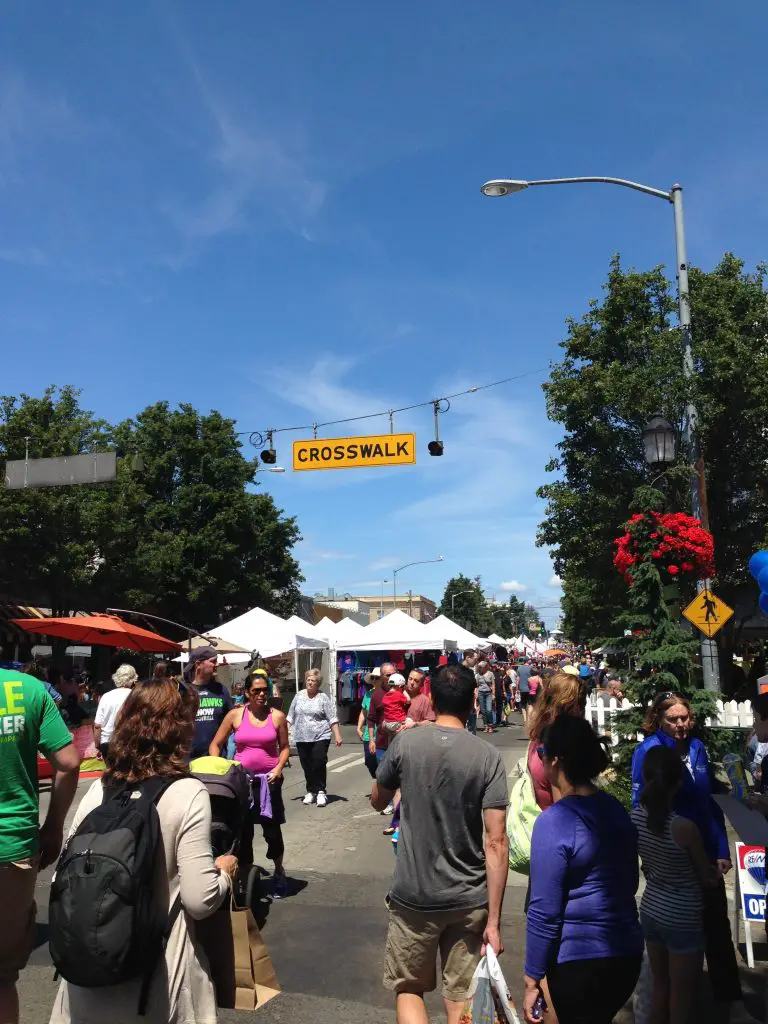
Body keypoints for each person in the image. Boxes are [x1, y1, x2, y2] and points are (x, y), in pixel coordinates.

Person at [49, 677, 238, 1024]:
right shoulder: (188, 793)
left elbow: (62, 877)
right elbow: (199, 899)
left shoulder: (100, 789)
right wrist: (224, 873)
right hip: (155, 982)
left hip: (86, 984)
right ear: (178, 729)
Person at [371, 664, 509, 1024]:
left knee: (409, 988)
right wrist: (494, 921)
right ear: (472, 700)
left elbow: (376, 798)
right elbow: (496, 842)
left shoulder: (406, 743)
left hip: (414, 894)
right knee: (462, 995)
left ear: (430, 698)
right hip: (468, 896)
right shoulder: (487, 756)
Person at [631, 693, 746, 1015]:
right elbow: (639, 803)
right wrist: (649, 856)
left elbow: (710, 801)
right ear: (659, 720)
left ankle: (732, 1004)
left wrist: (721, 849)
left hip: (704, 848)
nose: (681, 725)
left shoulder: (697, 748)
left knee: (718, 929)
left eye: (685, 718)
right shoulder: (649, 752)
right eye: (673, 720)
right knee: (676, 951)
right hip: (673, 856)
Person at [524, 715, 642, 1024]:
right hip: (625, 953)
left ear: (556, 760)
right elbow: (629, 881)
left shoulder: (554, 822)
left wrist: (532, 975)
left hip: (577, 959)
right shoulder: (615, 810)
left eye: (541, 753)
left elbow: (544, 910)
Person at [0, 666, 80, 1024]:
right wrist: (53, 827)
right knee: (1, 978)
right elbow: (68, 761)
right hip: (13, 848)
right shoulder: (27, 689)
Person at [631, 745, 717, 1024]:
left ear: (645, 778)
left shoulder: (636, 818)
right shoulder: (684, 828)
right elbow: (706, 875)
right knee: (682, 996)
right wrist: (715, 872)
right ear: (678, 782)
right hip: (683, 915)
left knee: (659, 988)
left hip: (653, 909)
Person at [209, 669, 291, 898]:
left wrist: (278, 768)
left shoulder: (277, 716)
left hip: (269, 782)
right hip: (241, 783)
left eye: (265, 690)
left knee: (272, 831)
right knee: (243, 832)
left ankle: (278, 871)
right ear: (247, 693)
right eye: (256, 691)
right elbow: (216, 743)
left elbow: (284, 748)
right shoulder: (235, 715)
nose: (262, 695)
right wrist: (221, 769)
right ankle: (245, 878)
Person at [527, 671, 587, 812]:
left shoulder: (538, 734)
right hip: (556, 825)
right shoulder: (559, 745)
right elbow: (563, 808)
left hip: (542, 818)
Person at [286, 668, 342, 806]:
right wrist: (286, 730)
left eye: (313, 681)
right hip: (301, 736)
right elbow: (290, 715)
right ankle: (311, 791)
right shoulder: (298, 696)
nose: (310, 683)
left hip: (320, 735)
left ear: (318, 684)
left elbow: (332, 718)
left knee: (318, 761)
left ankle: (321, 791)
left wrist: (337, 735)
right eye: (308, 680)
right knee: (306, 765)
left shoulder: (323, 698)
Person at [186, 647, 233, 759]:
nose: (217, 664)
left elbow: (231, 721)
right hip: (189, 761)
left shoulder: (221, 690)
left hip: (216, 758)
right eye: (213, 661)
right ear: (198, 664)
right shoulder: (184, 691)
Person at [93, 663, 137, 762]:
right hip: (128, 742)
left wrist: (97, 745)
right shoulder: (135, 696)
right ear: (134, 679)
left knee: (111, 772)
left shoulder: (106, 696)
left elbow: (97, 725)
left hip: (107, 742)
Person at [357, 669, 380, 779]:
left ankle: (382, 786)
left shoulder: (388, 693)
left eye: (377, 677)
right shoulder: (368, 695)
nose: (374, 680)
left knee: (382, 761)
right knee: (369, 761)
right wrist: (359, 728)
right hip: (368, 734)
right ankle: (379, 781)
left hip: (383, 734)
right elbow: (363, 712)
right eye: (373, 678)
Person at [475, 660, 496, 734]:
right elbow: (477, 686)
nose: (480, 668)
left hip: (488, 693)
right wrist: (476, 694)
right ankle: (485, 726)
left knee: (489, 710)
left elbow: (493, 684)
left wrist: (493, 694)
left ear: (485, 667)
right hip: (481, 693)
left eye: (481, 667)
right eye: (479, 667)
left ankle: (490, 725)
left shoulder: (490, 674)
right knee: (483, 711)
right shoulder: (478, 675)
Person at [517, 658, 533, 725]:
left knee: (523, 705)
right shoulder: (531, 668)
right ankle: (529, 720)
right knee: (530, 704)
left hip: (522, 689)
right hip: (530, 689)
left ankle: (525, 719)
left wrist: (517, 689)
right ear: (528, 661)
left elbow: (518, 679)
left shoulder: (519, 668)